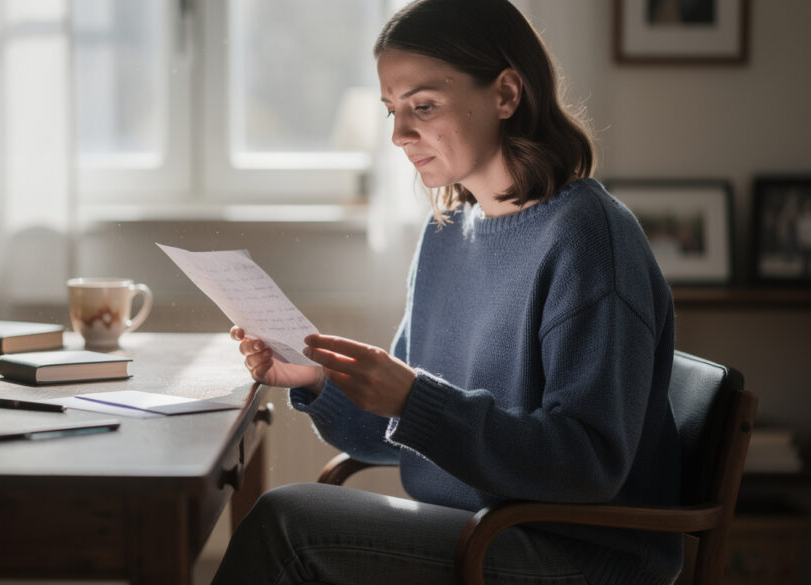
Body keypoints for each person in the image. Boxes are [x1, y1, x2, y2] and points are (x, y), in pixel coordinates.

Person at [213, 0, 681, 584]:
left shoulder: (589, 238)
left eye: (423, 106)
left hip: (577, 553)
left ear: (506, 94)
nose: (398, 135)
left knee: (287, 522)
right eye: (391, 110)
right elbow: (402, 436)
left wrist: (414, 401)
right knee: (287, 519)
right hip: (479, 531)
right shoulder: (446, 233)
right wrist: (318, 381)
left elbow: (586, 464)